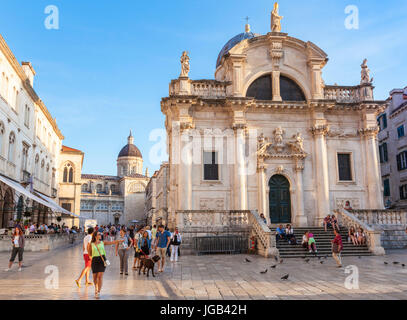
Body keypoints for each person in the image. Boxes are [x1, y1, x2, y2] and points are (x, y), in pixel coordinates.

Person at [87, 231, 117, 298]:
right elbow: (89, 254)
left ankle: (98, 292)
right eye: (99, 234)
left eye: (100, 234)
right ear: (95, 236)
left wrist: (118, 241)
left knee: (100, 276)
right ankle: (96, 287)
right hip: (94, 260)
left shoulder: (102, 242)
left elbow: (111, 242)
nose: (100, 235)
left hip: (102, 260)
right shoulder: (91, 244)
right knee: (95, 277)